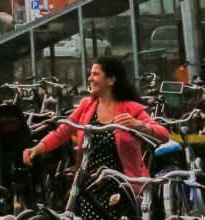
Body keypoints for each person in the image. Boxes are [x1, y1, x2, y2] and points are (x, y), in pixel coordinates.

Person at [23, 56, 169, 219]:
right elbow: (63, 132)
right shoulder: (87, 105)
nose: (90, 78)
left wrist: (138, 125)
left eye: (95, 74)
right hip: (89, 184)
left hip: (122, 184)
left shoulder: (131, 108)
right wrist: (38, 147)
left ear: (111, 80)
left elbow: (163, 135)